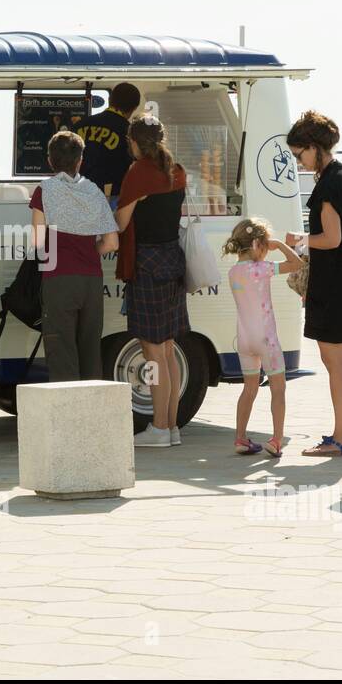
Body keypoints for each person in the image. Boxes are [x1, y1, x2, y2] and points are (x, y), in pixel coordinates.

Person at [286, 111, 342, 456]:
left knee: (336, 361)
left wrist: (301, 239)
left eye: (300, 153)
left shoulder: (328, 184)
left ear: (314, 147)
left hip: (333, 285)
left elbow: (331, 238)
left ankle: (340, 437)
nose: (299, 161)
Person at [115, 116, 188, 448]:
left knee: (152, 350)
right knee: (168, 348)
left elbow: (121, 221)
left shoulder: (138, 173)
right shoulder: (177, 170)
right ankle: (171, 426)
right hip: (173, 260)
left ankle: (158, 427)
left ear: (133, 141)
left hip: (146, 263)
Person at [29, 131, 119, 382]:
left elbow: (37, 240)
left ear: (50, 160)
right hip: (91, 281)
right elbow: (112, 242)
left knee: (61, 352)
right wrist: (91, 250)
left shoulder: (44, 191)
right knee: (90, 351)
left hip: (58, 280)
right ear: (80, 160)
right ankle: (92, 417)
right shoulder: (94, 191)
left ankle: (66, 419)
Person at [224, 217, 304, 457]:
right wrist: (278, 244)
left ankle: (240, 438)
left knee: (249, 389)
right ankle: (276, 440)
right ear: (259, 244)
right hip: (266, 340)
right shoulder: (261, 269)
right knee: (278, 389)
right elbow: (297, 263)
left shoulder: (233, 272)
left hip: (244, 340)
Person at [74, 83, 141, 202]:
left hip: (79, 194)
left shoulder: (80, 125)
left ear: (110, 100)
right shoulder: (129, 132)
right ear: (135, 108)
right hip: (112, 196)